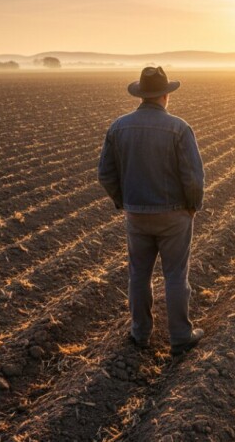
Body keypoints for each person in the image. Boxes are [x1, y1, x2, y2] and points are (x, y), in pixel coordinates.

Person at [97, 66, 205, 357]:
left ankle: (140, 333)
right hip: (174, 215)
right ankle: (180, 336)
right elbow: (193, 178)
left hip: (136, 215)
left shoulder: (118, 127)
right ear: (165, 95)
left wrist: (124, 202)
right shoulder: (179, 128)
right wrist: (192, 207)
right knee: (175, 276)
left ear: (141, 95)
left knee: (139, 274)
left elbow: (105, 174)